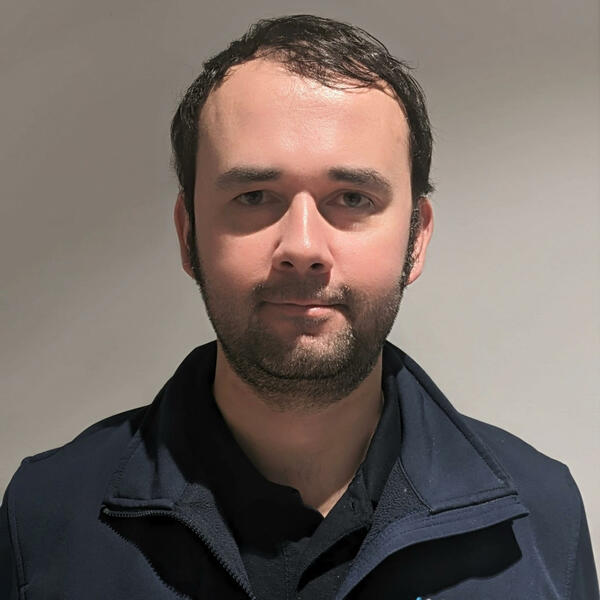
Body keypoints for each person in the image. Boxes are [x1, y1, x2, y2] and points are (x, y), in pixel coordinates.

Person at [1, 14, 597, 600]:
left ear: (416, 238)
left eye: (351, 197)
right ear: (189, 234)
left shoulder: (541, 520)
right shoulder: (47, 515)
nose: (304, 248)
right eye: (255, 196)